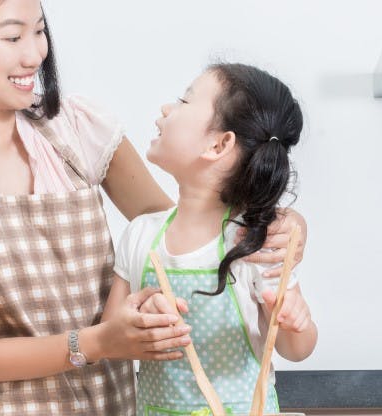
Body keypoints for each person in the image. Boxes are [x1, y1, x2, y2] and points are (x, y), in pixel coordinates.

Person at [0, 1, 308, 415]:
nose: (35, 54)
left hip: (118, 406)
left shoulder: (74, 129)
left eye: (39, 30)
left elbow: (187, 228)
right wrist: (99, 342)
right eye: (13, 37)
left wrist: (284, 224)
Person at [106, 63, 318, 415]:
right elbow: (112, 339)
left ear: (219, 144)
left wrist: (296, 322)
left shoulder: (254, 244)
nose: (165, 110)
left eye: (183, 101)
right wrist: (141, 320)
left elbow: (296, 349)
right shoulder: (140, 233)